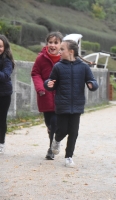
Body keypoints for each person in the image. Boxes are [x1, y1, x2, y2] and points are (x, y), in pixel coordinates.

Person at [44, 40, 98, 168]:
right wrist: (48, 84)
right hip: (62, 104)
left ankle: (69, 157)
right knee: (63, 129)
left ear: (71, 52)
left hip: (77, 104)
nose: (59, 51)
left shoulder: (84, 67)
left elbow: (92, 81)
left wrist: (92, 85)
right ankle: (56, 140)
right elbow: (51, 82)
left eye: (62, 49)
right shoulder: (58, 66)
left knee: (74, 131)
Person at [31, 32, 63, 160]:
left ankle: (51, 149)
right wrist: (41, 88)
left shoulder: (64, 59)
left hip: (60, 96)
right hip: (45, 95)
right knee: (49, 123)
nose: (53, 45)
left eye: (56, 43)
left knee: (55, 123)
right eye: (50, 42)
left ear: (61, 44)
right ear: (47, 44)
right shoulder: (41, 58)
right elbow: (35, 73)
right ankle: (54, 137)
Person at [0, 35, 15, 154]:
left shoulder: (7, 60)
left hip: (3, 94)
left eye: (0, 46)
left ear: (4, 47)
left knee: (1, 119)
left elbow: (5, 76)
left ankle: (1, 143)